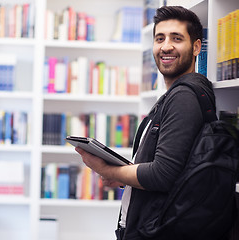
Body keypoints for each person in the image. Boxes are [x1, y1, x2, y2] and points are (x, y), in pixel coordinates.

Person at [76, 6, 217, 239]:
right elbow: (175, 171)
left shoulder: (184, 97)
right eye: (159, 38)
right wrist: (122, 177)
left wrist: (107, 170)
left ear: (196, 47)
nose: (166, 46)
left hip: (158, 230)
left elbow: (163, 174)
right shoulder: (176, 95)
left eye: (177, 38)